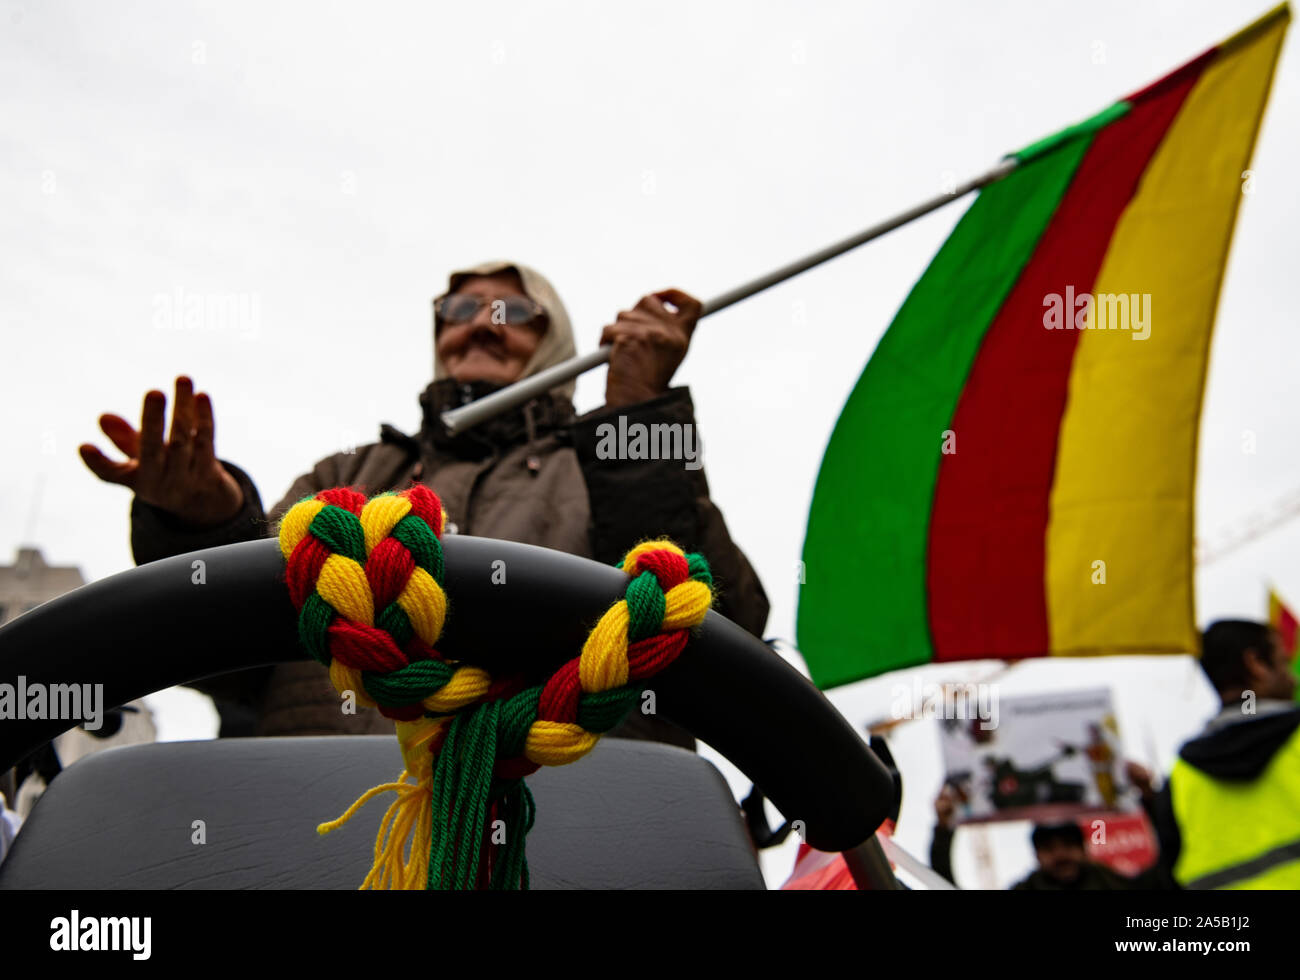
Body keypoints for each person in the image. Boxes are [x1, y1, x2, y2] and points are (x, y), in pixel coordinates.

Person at [80, 260, 770, 746]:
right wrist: (202, 518)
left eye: (512, 312)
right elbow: (227, 653)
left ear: (554, 341)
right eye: (459, 311)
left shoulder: (609, 466)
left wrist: (638, 420)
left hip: (566, 844)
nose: (481, 325)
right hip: (314, 839)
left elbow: (717, 630)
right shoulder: (345, 474)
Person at [1139, 619, 1300, 889]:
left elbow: (1166, 878)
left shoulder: (1181, 777)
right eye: (1284, 663)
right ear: (1255, 664)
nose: (1293, 677)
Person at [930, 785, 1160, 889]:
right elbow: (943, 886)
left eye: (1068, 845)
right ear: (1037, 855)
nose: (1060, 854)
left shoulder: (1112, 883)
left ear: (1084, 848)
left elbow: (1166, 869)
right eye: (1049, 848)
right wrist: (944, 828)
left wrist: (1149, 796)